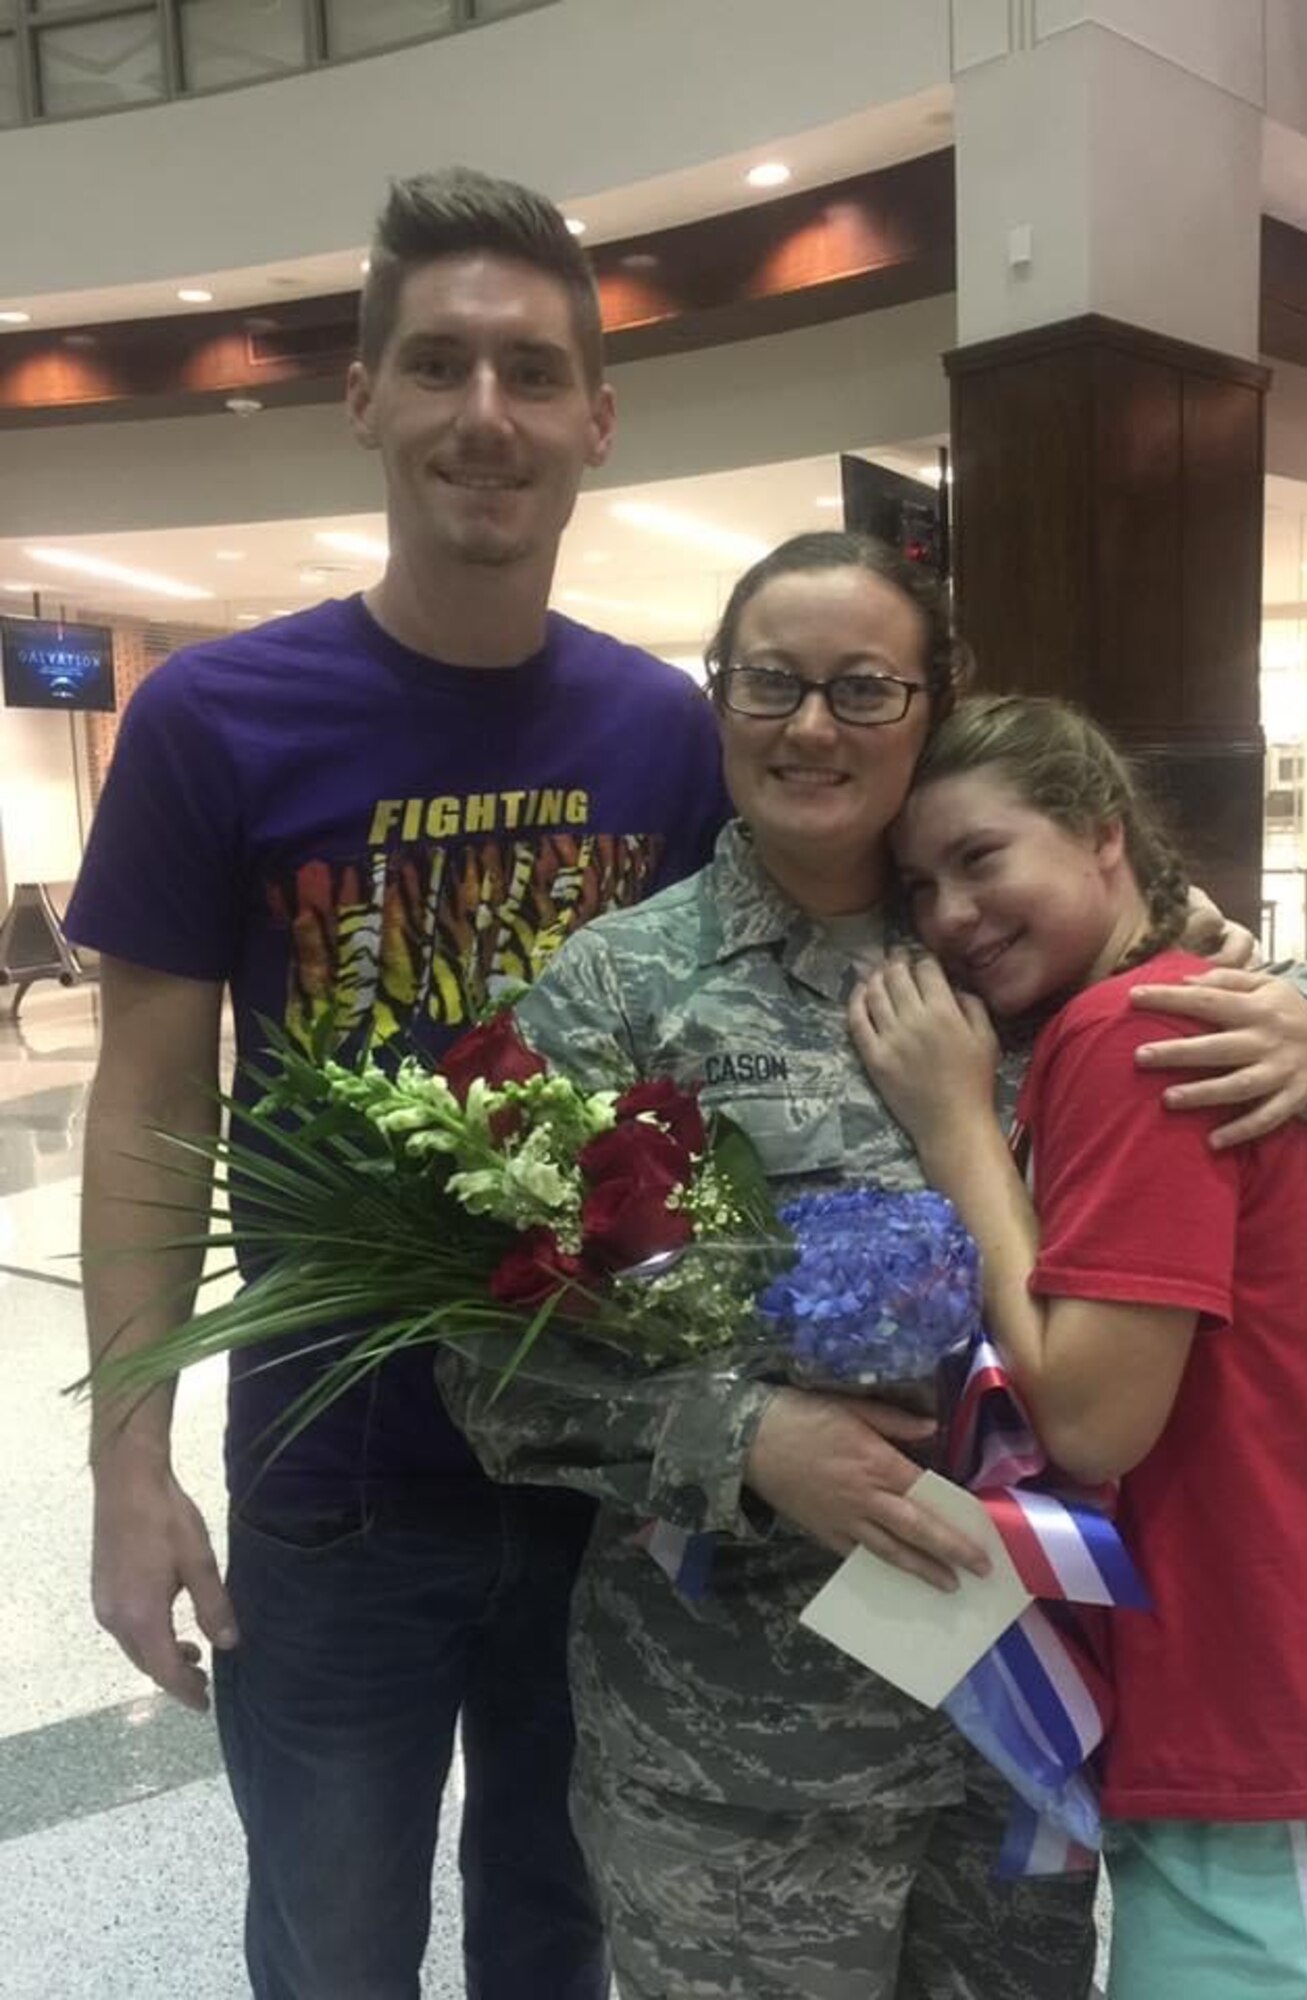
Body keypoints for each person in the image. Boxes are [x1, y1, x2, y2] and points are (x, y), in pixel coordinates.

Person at [442, 531, 1307, 2000]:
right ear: (718, 701)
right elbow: (485, 1355)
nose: (810, 725)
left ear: (928, 706)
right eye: (770, 682)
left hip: (1020, 1738)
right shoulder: (618, 990)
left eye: (862, 686)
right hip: (742, 1757)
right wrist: (747, 1438)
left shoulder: (1031, 954)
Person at [66, 169, 730, 2000]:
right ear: (362, 397)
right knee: (338, 1946)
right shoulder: (215, 719)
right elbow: (144, 1105)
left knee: (562, 1937)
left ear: (598, 417)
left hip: (602, 1479)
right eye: (438, 364)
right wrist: (128, 1465)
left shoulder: (669, 735)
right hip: (335, 1484)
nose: (485, 416)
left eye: (532, 372)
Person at [849, 693, 1307, 2000]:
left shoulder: (1138, 1036)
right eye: (918, 885)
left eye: (983, 857)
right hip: (1248, 1700)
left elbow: (1090, 1419)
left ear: (1100, 835)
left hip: (1268, 1716)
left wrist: (956, 1130)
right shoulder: (1151, 1008)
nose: (949, 913)